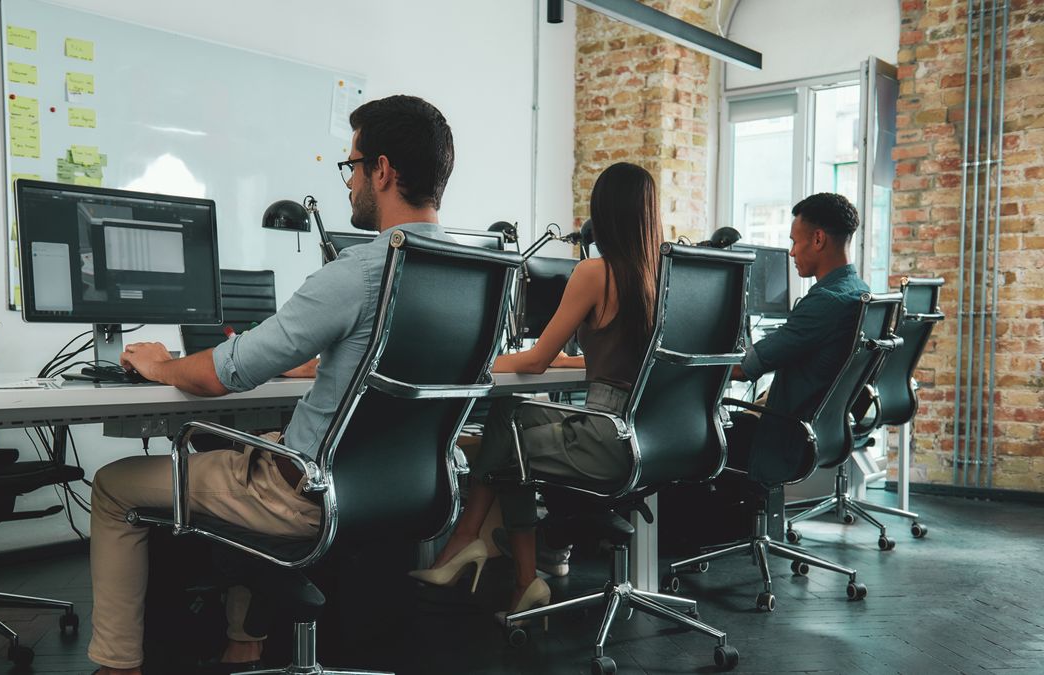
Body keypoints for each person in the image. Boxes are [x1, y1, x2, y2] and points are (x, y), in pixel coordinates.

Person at [87, 94, 456, 675]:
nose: (350, 182)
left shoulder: (357, 272)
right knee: (244, 441)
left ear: (382, 170)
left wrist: (159, 364)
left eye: (353, 165)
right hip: (406, 493)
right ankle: (245, 640)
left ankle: (117, 667)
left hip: (302, 498)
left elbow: (224, 373)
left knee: (113, 486)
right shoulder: (472, 275)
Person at [409, 162, 664, 620]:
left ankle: (480, 550)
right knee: (510, 419)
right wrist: (581, 359)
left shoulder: (595, 273)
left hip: (607, 437)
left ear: (601, 214)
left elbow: (533, 361)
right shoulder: (662, 277)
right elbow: (636, 361)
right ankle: (509, 571)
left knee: (507, 434)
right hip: (651, 436)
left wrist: (473, 362)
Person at [727, 192, 870, 482]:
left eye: (794, 241)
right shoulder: (858, 290)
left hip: (785, 436)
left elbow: (743, 369)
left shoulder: (825, 303)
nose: (791, 252)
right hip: (823, 430)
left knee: (698, 438)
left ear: (818, 239)